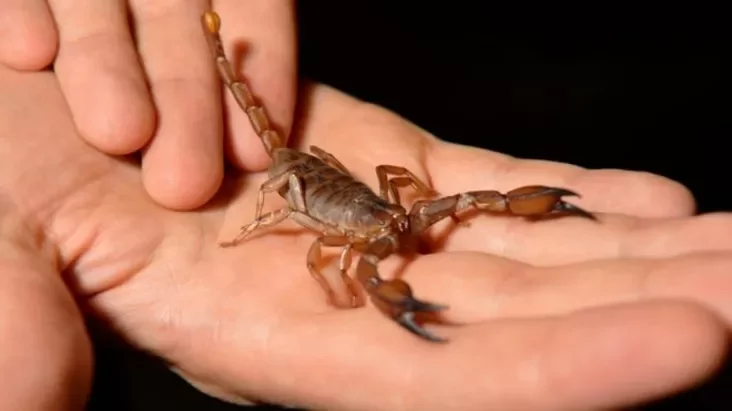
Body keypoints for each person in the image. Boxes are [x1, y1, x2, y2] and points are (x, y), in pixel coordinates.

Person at [1, 2, 731, 410]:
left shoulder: (396, 213)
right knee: (311, 228)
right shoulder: (357, 246)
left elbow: (412, 185)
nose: (401, 229)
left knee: (457, 200)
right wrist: (340, 283)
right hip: (310, 185)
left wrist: (438, 202)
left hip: (385, 154)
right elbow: (333, 257)